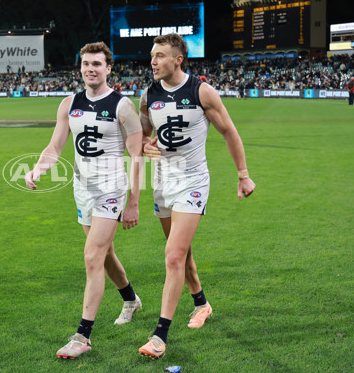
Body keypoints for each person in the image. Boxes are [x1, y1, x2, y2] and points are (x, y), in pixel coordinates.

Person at [137, 34, 256, 359]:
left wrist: (243, 175)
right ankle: (201, 303)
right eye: (152, 56)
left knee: (173, 255)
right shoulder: (148, 94)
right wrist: (147, 146)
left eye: (160, 55)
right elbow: (146, 135)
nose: (153, 61)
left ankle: (160, 336)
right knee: (182, 252)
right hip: (162, 183)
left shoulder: (201, 91)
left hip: (193, 181)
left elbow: (229, 131)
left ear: (178, 59)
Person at [25, 41, 144, 360]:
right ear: (81, 67)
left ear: (109, 67)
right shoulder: (69, 103)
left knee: (92, 256)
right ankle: (131, 299)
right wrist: (39, 167)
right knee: (104, 256)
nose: (91, 69)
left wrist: (133, 202)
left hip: (111, 191)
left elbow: (137, 156)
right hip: (82, 191)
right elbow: (55, 146)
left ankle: (82, 336)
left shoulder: (123, 106)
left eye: (97, 63)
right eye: (86, 63)